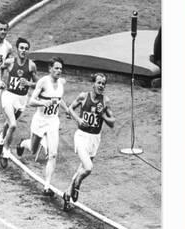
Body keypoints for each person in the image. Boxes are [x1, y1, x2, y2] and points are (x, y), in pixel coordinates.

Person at [16, 57, 69, 196]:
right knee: (33, 149)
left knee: (53, 154)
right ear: (50, 69)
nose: (58, 71)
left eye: (60, 69)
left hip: (53, 121)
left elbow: (59, 100)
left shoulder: (61, 84)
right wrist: (43, 103)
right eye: (56, 68)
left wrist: (67, 109)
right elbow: (31, 101)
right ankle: (22, 143)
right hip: (40, 120)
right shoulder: (43, 82)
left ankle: (47, 186)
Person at [62, 73, 115, 211]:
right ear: (93, 84)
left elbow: (112, 122)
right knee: (88, 167)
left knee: (82, 168)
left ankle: (67, 194)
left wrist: (103, 114)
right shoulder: (83, 96)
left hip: (95, 139)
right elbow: (70, 109)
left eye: (103, 84)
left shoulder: (105, 101)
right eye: (99, 82)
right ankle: (77, 184)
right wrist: (78, 120)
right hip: (81, 136)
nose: (101, 86)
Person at [0, 37, 38, 167]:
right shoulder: (10, 62)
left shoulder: (31, 65)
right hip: (9, 96)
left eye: (26, 49)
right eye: (21, 48)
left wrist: (28, 83)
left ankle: (1, 137)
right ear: (17, 49)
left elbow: (37, 84)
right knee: (13, 125)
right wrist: (0, 80)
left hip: (21, 99)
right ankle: (6, 152)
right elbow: (0, 68)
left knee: (8, 123)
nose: (23, 51)